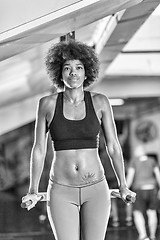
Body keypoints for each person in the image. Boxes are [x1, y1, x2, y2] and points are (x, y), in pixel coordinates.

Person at [22, 39, 136, 240]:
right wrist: (33, 190)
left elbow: (114, 147)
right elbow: (38, 149)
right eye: (67, 68)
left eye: (79, 67)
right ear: (59, 72)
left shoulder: (100, 102)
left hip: (96, 189)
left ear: (86, 72)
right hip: (61, 190)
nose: (73, 72)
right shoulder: (47, 104)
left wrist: (123, 184)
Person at [126, 146, 160, 240]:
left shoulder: (134, 161)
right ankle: (152, 236)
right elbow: (158, 175)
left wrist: (125, 189)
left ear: (138, 152)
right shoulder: (152, 160)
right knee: (152, 212)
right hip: (152, 189)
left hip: (139, 190)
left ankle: (143, 236)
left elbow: (130, 176)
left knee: (138, 213)